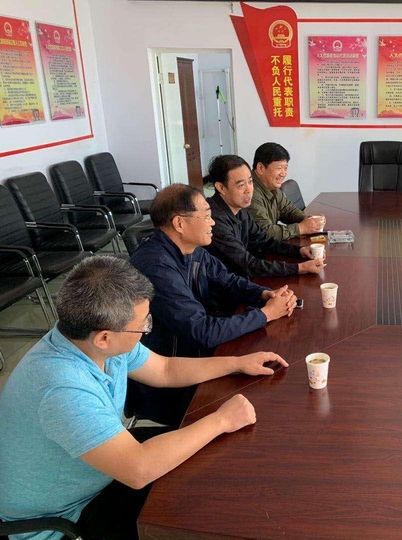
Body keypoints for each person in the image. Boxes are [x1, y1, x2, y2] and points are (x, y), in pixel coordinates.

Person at [0, 256, 287, 540]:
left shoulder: (92, 341)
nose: (146, 328)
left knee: (215, 460)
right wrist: (221, 420)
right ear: (104, 337)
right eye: (143, 324)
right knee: (203, 510)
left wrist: (236, 363)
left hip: (102, 468)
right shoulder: (63, 389)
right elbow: (139, 469)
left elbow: (164, 369)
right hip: (67, 514)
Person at [130, 184, 297, 425]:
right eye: (206, 216)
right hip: (173, 380)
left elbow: (227, 280)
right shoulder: (156, 267)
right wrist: (265, 315)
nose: (213, 222)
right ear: (179, 223)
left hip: (197, 356)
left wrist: (264, 295)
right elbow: (202, 331)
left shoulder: (189, 248)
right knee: (267, 405)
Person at [205, 154, 325, 278]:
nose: (249, 190)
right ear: (221, 187)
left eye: (250, 182)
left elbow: (263, 241)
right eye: (241, 185)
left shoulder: (239, 208)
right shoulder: (213, 219)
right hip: (227, 286)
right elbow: (247, 265)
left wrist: (299, 251)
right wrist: (299, 268)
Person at [246, 142, 325, 240]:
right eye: (279, 168)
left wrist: (309, 220)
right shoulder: (250, 192)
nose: (283, 174)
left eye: (285, 168)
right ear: (260, 168)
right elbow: (264, 232)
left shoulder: (271, 186)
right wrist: (301, 228)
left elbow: (288, 210)